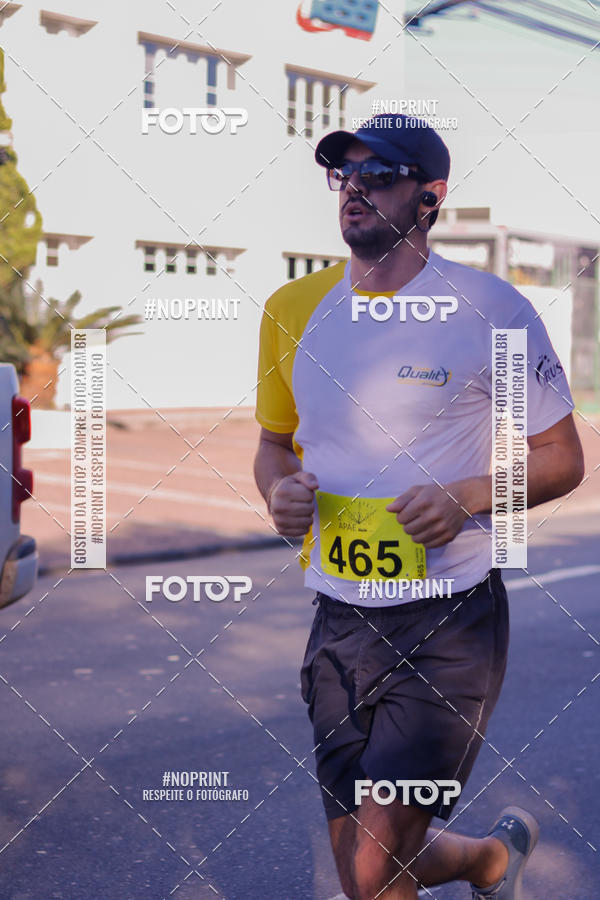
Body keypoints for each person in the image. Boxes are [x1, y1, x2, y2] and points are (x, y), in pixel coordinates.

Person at [253, 114, 584, 899]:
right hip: (338, 617)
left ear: (430, 198)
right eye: (345, 174)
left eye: (381, 174)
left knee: (373, 862)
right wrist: (279, 491)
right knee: (367, 870)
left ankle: (477, 859)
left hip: (448, 621)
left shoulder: (492, 310)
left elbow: (564, 459)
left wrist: (470, 497)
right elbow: (273, 444)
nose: (355, 189)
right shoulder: (291, 308)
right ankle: (486, 858)